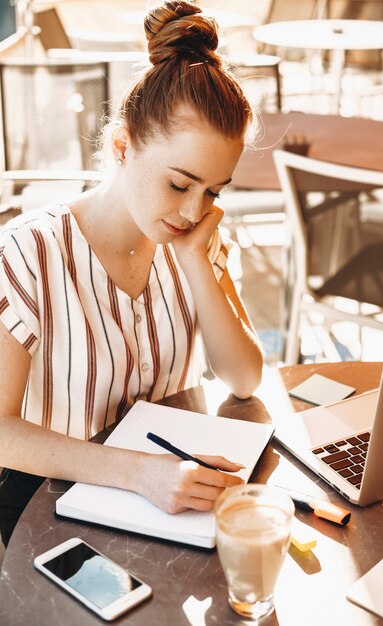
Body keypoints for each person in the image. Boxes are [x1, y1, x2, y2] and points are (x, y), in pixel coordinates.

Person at [0, 0, 263, 547]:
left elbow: (243, 379)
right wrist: (137, 472)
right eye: (179, 183)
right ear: (122, 146)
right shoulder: (29, 253)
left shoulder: (193, 242)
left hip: (170, 502)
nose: (194, 211)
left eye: (213, 191)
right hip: (50, 509)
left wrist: (195, 262)